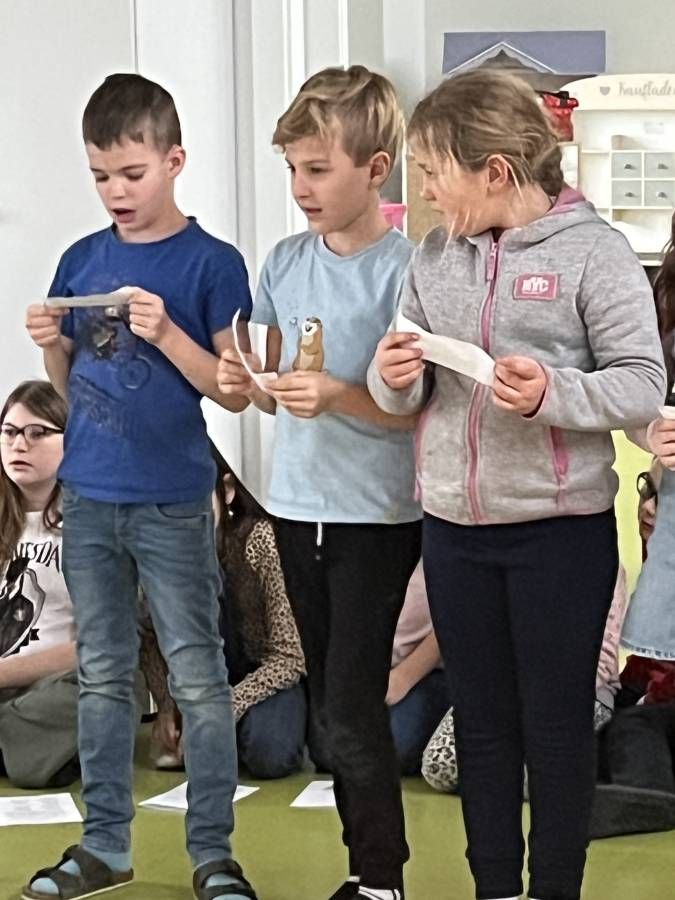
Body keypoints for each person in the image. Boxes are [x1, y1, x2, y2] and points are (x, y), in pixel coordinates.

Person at [368, 69, 665, 900]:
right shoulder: (433, 257)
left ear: (493, 170)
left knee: (556, 732)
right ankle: (493, 888)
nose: (425, 190)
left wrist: (550, 394)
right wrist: (392, 376)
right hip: (453, 532)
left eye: (434, 171)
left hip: (559, 537)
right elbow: (401, 393)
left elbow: (641, 383)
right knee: (483, 727)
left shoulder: (595, 254)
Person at [23, 74, 256, 900]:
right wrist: (50, 344)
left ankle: (213, 856)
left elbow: (233, 390)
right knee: (102, 676)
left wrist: (167, 335)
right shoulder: (82, 258)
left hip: (172, 498)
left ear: (174, 161)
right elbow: (69, 385)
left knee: (197, 677)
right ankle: (104, 848)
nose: (115, 191)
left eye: (131, 172)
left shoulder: (212, 263)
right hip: (88, 497)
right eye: (100, 176)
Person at [217, 65, 421, 900]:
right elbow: (266, 384)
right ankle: (363, 871)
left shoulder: (406, 270)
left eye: (317, 169)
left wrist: (339, 395)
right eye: (291, 169)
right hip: (295, 510)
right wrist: (242, 382)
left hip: (377, 515)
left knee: (350, 702)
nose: (299, 187)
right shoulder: (284, 261)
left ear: (375, 170)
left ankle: (381, 879)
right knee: (334, 708)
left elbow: (414, 414)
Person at [142, 444, 307, 779]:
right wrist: (166, 705)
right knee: (183, 755)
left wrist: (224, 708)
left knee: (269, 753)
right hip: (197, 684)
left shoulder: (259, 539)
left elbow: (290, 657)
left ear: (227, 490)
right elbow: (149, 637)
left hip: (265, 676)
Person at [0, 380, 78, 789]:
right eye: (10, 432)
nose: (19, 445)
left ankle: (21, 744)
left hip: (54, 684)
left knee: (105, 686)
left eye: (37, 433)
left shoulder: (90, 525)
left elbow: (95, 646)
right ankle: (20, 743)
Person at [309, 559, 448, 777]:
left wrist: (402, 678)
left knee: (388, 750)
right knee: (328, 750)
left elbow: (451, 625)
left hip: (424, 673)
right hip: (363, 668)